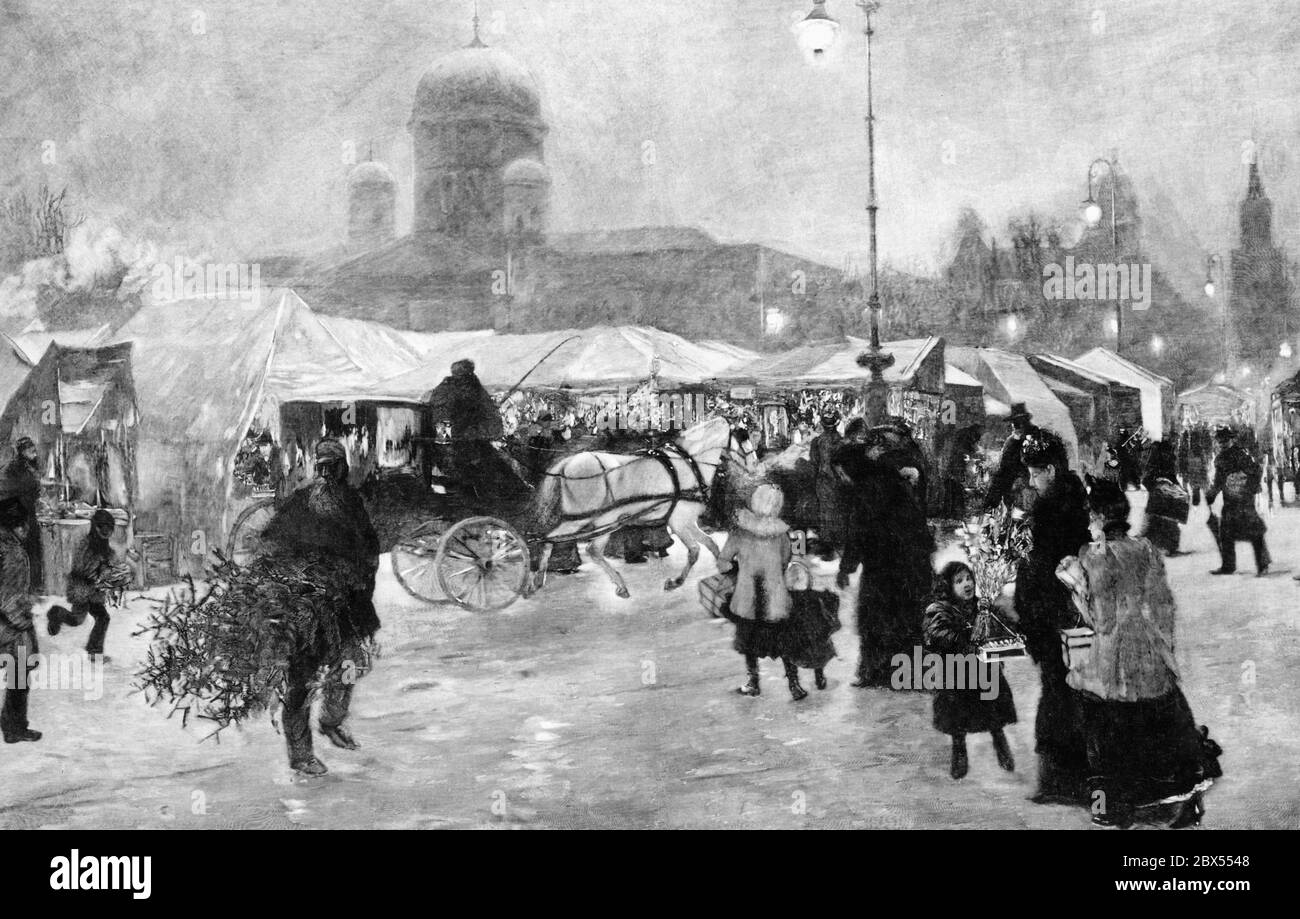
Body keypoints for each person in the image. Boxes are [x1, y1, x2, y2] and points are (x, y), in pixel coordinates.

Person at [1058, 479, 1223, 828]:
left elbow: (1099, 619)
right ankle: (1184, 804)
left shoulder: (1092, 556)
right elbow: (1163, 604)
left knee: (1106, 720)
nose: (1089, 521)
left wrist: (1075, 585)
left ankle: (1112, 806)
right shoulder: (1146, 548)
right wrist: (1163, 646)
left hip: (1114, 652)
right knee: (1165, 719)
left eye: (1091, 514)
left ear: (1100, 516)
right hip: (1149, 646)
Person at [258, 439, 380, 776]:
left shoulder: (353, 502)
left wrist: (360, 578)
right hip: (306, 608)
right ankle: (300, 755)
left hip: (346, 606)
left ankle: (331, 719)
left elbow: (370, 547)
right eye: (322, 466)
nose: (326, 472)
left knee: (350, 665)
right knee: (301, 681)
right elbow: (270, 540)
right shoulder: (301, 501)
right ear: (316, 468)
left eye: (333, 466)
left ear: (343, 468)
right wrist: (294, 578)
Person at [1014, 430, 1091, 804]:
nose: (1031, 481)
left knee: (1058, 693)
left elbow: (1045, 566)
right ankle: (1069, 777)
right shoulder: (1072, 498)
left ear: (1050, 469)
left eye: (1034, 474)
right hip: (1066, 611)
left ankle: (1060, 781)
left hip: (1053, 613)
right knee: (1068, 691)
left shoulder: (1050, 508)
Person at [836, 425, 936, 688]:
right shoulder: (900, 478)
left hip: (883, 564)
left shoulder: (868, 486)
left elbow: (858, 530)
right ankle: (909, 672)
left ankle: (873, 671)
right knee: (906, 617)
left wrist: (846, 567)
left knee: (876, 619)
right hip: (909, 562)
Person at [923, 561, 1016, 780]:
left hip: (984, 670)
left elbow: (1003, 623)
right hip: (956, 673)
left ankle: (999, 741)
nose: (967, 584)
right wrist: (963, 640)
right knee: (957, 716)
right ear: (948, 586)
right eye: (959, 581)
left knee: (993, 709)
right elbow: (935, 634)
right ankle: (959, 751)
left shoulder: (982, 607)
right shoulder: (940, 609)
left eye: (969, 579)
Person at [717, 485, 804, 700]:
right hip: (775, 597)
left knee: (748, 641)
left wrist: (737, 571)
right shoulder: (782, 534)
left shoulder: (739, 532)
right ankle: (794, 685)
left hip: (748, 597)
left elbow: (723, 562)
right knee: (783, 641)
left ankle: (753, 682)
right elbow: (786, 561)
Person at [46, 509, 127, 658]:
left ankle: (94, 651)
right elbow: (80, 568)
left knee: (103, 618)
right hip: (81, 590)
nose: (106, 531)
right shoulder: (85, 545)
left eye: (109, 528)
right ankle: (56, 613)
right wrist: (98, 573)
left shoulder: (106, 548)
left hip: (94, 592)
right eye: (103, 527)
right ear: (96, 527)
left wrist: (114, 572)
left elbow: (111, 565)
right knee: (76, 620)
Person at [0, 496, 40, 742]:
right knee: (20, 670)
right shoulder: (13, 553)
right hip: (8, 622)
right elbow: (9, 596)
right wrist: (22, 621)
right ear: (17, 525)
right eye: (24, 524)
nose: (26, 530)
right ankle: (14, 727)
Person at [1206, 427, 1269, 577]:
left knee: (1253, 531)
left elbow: (1255, 471)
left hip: (1244, 499)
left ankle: (1262, 565)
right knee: (1226, 532)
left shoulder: (1241, 454)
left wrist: (1249, 487)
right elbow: (1219, 481)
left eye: (1225, 441)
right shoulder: (1220, 459)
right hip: (1231, 500)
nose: (1222, 444)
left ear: (1231, 440)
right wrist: (1212, 495)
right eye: (1220, 441)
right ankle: (1228, 565)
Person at [0, 437, 44, 593]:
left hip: (28, 515)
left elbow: (33, 490)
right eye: (29, 448)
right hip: (17, 518)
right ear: (21, 451)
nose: (34, 450)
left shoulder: (28, 467)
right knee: (20, 555)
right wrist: (16, 523)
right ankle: (22, 590)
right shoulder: (11, 469)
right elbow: (5, 496)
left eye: (33, 447)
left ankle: (32, 589)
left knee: (32, 551)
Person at [984, 404, 1040, 513]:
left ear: (1025, 422)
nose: (1015, 427)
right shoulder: (1011, 442)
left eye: (1019, 423)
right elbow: (1003, 470)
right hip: (1012, 495)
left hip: (1032, 492)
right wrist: (992, 497)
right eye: (1014, 423)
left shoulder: (1038, 438)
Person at [808, 411, 846, 560]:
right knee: (838, 509)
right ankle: (837, 541)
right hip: (838, 481)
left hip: (823, 480)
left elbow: (814, 461)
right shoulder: (842, 442)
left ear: (822, 425)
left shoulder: (816, 442)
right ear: (836, 424)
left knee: (825, 510)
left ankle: (827, 542)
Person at [1140, 437, 1184, 556]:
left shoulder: (1167, 461)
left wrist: (1177, 488)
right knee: (1160, 520)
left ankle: (1166, 546)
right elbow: (1147, 479)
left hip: (1162, 495)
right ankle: (1161, 546)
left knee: (1164, 520)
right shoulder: (1156, 462)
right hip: (1158, 495)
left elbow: (1172, 477)